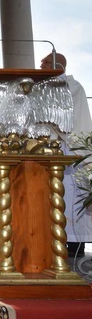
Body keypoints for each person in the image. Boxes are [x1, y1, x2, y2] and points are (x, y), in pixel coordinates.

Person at [40, 52, 92, 256]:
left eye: (44, 63)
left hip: (72, 150)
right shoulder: (43, 88)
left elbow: (66, 117)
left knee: (72, 196)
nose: (40, 66)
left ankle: (76, 244)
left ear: (57, 66)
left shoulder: (72, 86)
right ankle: (55, 239)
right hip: (52, 148)